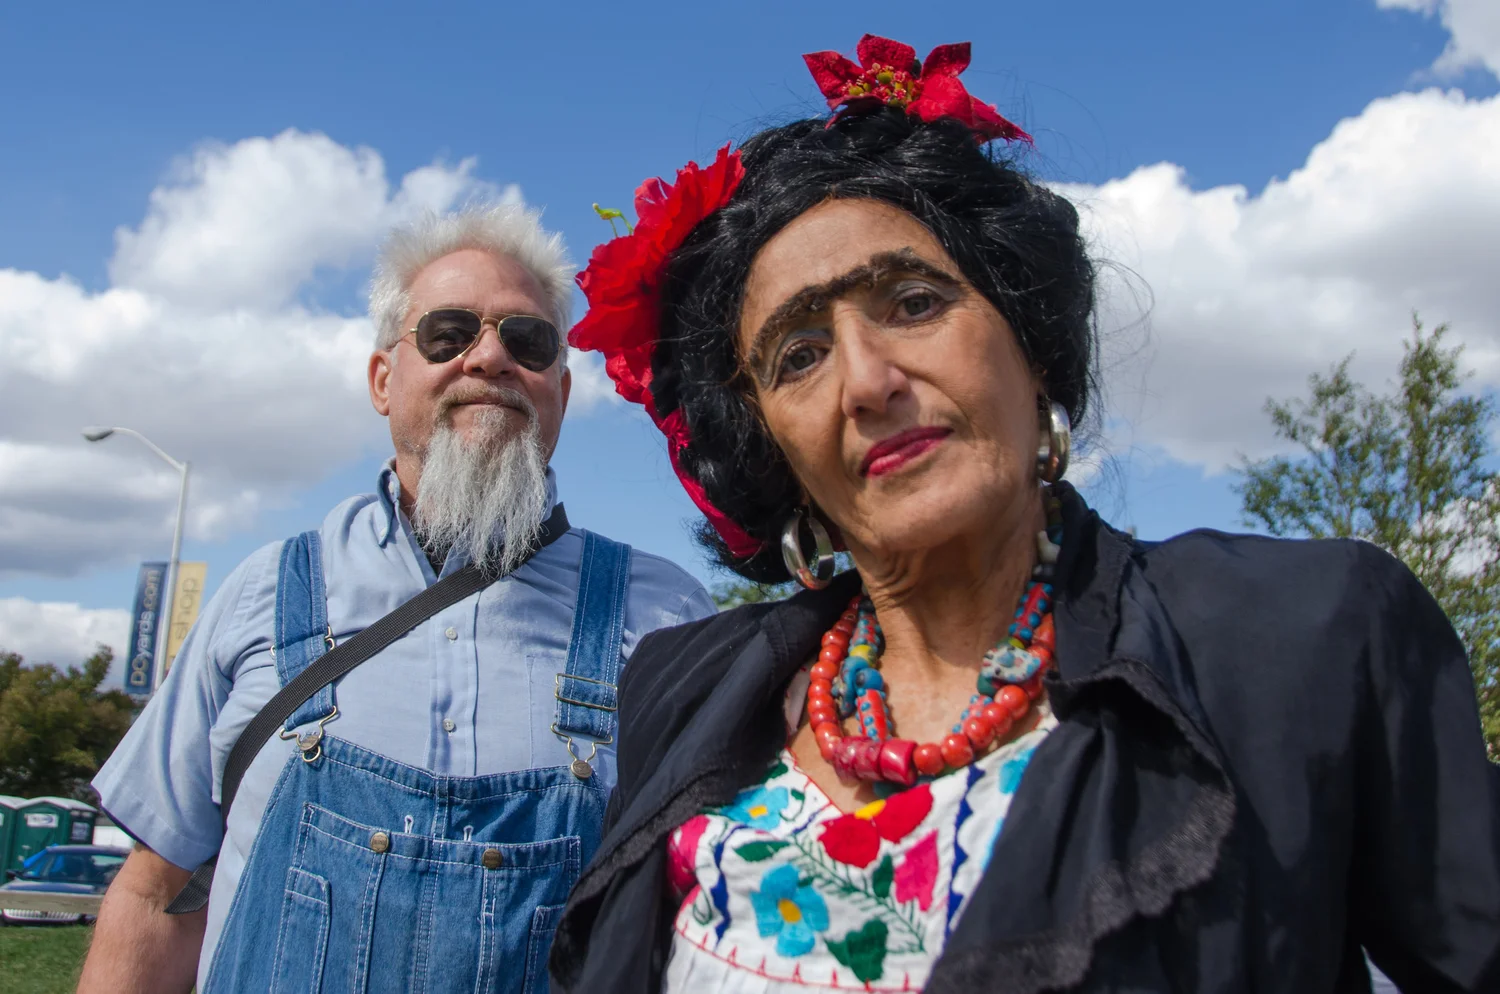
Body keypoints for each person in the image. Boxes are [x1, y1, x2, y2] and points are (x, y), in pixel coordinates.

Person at [550, 34, 1500, 994]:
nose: (868, 382)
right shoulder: (680, 687)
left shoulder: (1305, 636)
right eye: (798, 357)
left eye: (914, 303)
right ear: (773, 449)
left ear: (1031, 344)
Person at [79, 204, 716, 994]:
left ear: (560, 387)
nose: (490, 357)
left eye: (528, 341)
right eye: (449, 333)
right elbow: (155, 898)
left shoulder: (665, 618)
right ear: (383, 379)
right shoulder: (263, 595)